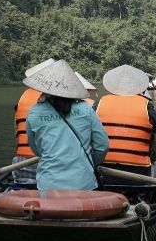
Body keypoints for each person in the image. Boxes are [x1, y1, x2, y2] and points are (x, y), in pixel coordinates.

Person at [25, 59, 109, 191]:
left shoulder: (34, 112)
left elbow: (36, 149)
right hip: (84, 184)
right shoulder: (86, 109)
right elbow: (102, 146)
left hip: (48, 186)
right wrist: (88, 162)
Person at [97, 64, 156, 178]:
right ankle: (150, 195)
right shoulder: (148, 107)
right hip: (139, 175)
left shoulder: (98, 105)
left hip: (103, 173)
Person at [11, 57, 55, 185]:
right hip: (48, 169)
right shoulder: (57, 99)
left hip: (20, 166)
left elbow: (17, 135)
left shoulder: (22, 100)